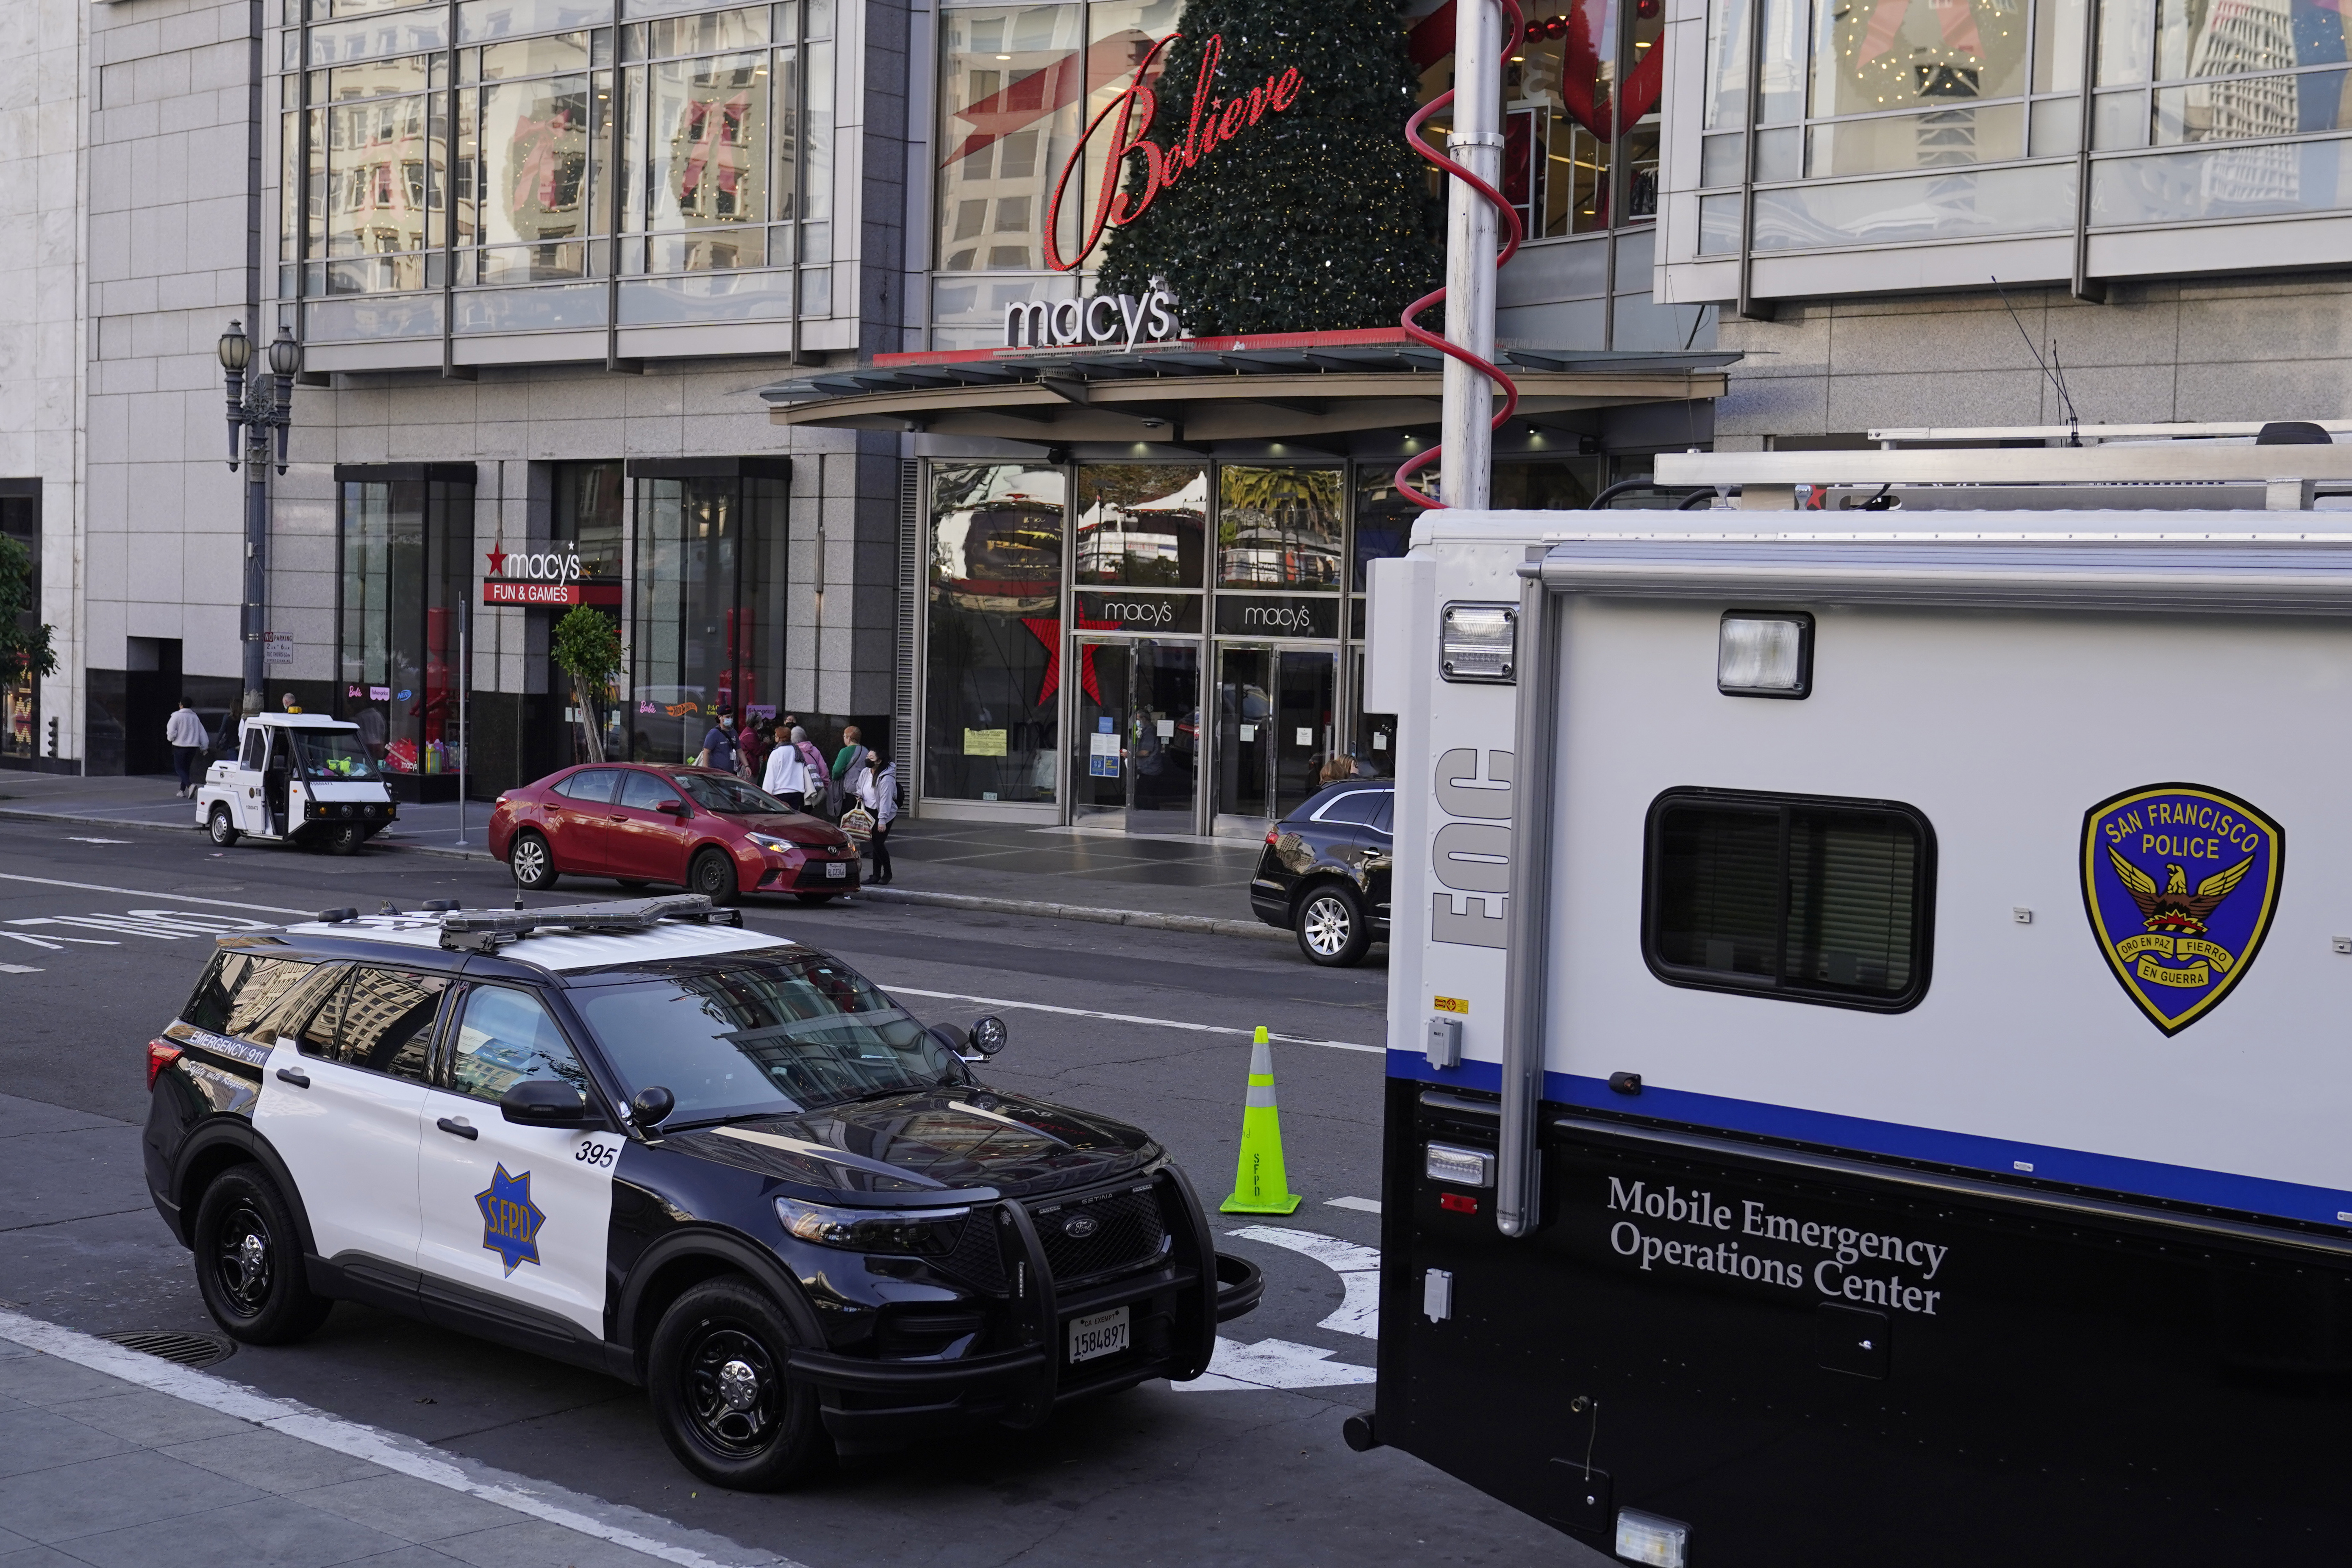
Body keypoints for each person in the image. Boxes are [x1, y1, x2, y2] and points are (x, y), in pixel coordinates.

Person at [859, 750, 898, 884]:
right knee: (874, 843)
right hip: (870, 811)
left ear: (879, 761)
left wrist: (882, 820)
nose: (867, 759)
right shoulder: (866, 772)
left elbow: (885, 800)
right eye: (867, 756)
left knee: (878, 843)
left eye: (871, 757)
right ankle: (876, 875)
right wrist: (859, 795)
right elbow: (861, 787)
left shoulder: (887, 779)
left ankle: (887, 873)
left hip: (884, 813)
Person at [165, 699, 209, 798]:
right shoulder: (195, 717)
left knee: (179, 769)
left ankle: (190, 786)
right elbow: (202, 732)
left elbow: (171, 732)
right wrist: (204, 746)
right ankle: (182, 791)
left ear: (181, 705)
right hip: (193, 747)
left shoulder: (176, 716)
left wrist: (171, 738)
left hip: (179, 746)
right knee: (186, 769)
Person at [763, 724, 811, 808]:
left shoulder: (776, 753)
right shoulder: (797, 752)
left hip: (779, 793)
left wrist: (765, 796)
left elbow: (770, 776)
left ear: (779, 738)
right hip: (797, 792)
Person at [828, 725, 870, 817]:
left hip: (848, 790)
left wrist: (835, 778)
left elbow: (836, 770)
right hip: (863, 790)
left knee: (845, 817)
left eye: (844, 736)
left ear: (849, 738)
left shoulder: (845, 751)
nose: (844, 738)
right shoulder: (866, 750)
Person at [792, 726, 830, 815]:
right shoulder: (815, 750)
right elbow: (824, 769)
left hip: (798, 788)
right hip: (813, 788)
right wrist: (825, 784)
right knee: (807, 813)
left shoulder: (794, 751)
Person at [695, 708, 738, 772]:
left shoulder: (733, 732)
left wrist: (746, 766)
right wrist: (707, 770)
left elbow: (739, 750)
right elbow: (706, 752)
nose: (730, 719)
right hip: (716, 772)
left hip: (730, 772)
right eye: (728, 717)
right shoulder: (714, 733)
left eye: (731, 717)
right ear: (720, 717)